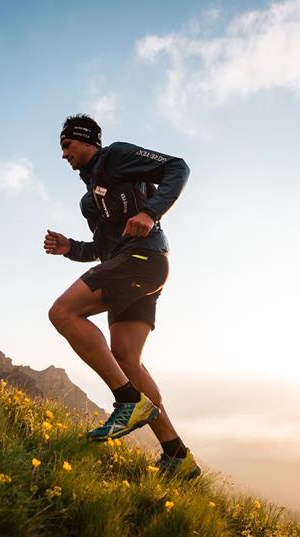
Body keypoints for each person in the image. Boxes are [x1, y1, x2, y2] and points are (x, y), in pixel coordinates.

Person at [44, 114, 199, 479]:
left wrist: (149, 211)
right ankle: (177, 456)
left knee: (63, 313)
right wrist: (70, 248)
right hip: (132, 266)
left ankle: (128, 402)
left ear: (87, 141)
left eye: (67, 146)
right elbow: (103, 248)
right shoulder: (88, 202)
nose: (64, 155)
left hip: (145, 258)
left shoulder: (115, 157)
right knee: (127, 361)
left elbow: (178, 167)